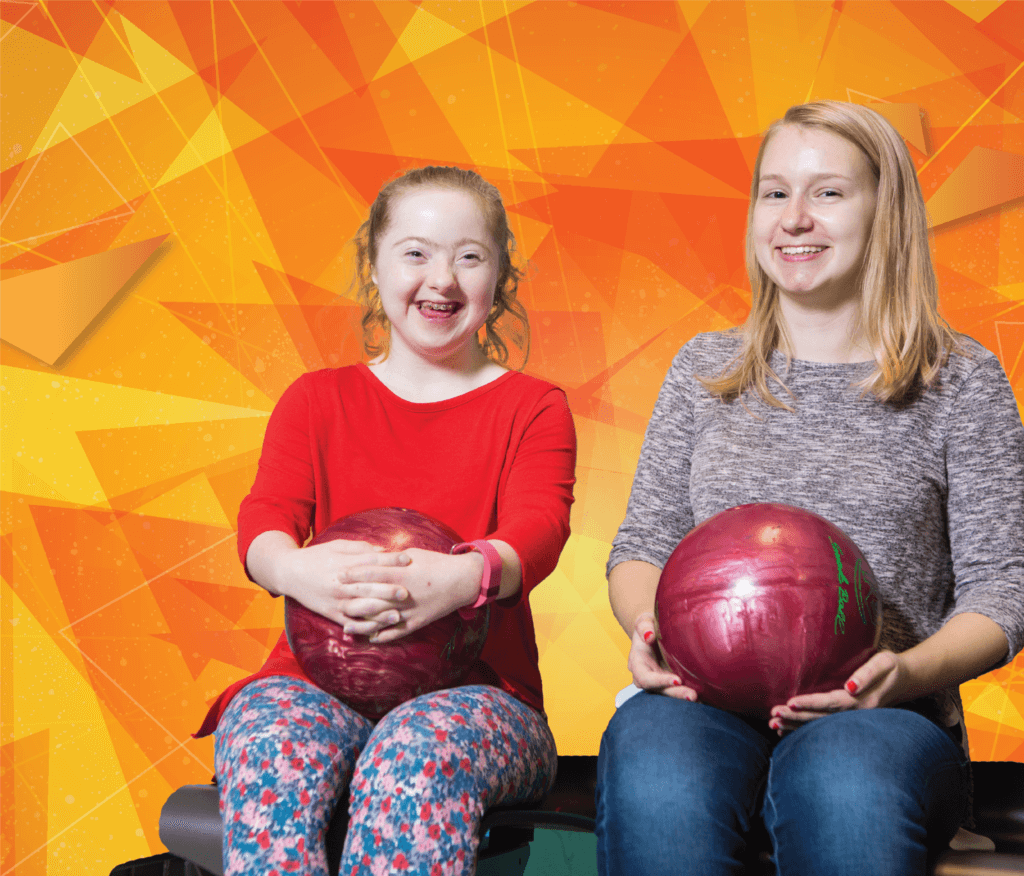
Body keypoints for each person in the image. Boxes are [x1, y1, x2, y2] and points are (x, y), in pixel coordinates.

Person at [596, 101, 1024, 876]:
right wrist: (647, 631)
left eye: (827, 193)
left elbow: (1005, 591)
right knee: (655, 767)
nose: (794, 219)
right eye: (773, 192)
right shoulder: (703, 368)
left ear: (884, 212)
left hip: (881, 719)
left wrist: (907, 675)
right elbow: (641, 548)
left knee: (843, 786)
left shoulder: (961, 382)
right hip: (705, 708)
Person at [194, 166, 577, 876]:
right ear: (376, 266)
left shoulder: (534, 407)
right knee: (268, 744)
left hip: (482, 698)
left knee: (413, 750)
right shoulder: (315, 400)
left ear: (500, 276)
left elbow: (541, 525)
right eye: (416, 253)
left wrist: (465, 577)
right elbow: (266, 517)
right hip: (314, 682)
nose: (442, 279)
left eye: (469, 256)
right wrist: (291, 566)